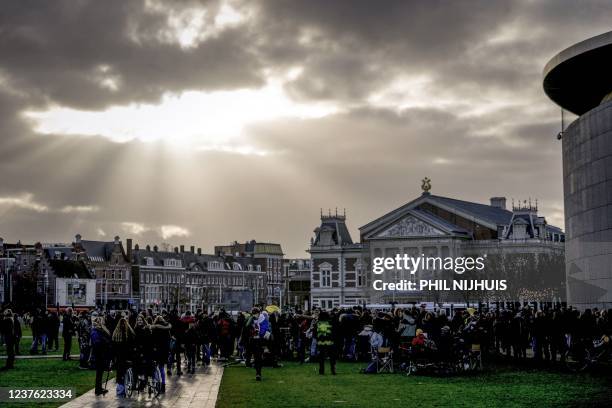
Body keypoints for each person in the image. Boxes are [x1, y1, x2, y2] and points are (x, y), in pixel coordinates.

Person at [112, 317, 134, 397]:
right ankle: (123, 388)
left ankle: (120, 390)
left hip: (119, 357)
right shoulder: (128, 333)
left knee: (120, 374)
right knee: (125, 373)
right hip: (126, 356)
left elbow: (113, 347)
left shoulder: (116, 334)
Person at [90, 316, 112, 396]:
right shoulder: (95, 331)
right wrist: (105, 342)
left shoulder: (99, 330)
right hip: (99, 354)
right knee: (99, 372)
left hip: (102, 354)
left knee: (100, 372)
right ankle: (98, 389)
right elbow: (97, 343)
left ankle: (99, 388)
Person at [151, 315, 171, 392]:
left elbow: (152, 340)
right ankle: (163, 384)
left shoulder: (155, 329)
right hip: (164, 351)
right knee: (162, 368)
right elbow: (168, 340)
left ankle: (156, 383)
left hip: (156, 351)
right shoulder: (166, 329)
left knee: (155, 367)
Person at [314, 311, 336, 375]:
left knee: (321, 358)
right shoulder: (330, 323)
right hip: (330, 342)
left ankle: (321, 371)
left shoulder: (317, 323)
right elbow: (334, 332)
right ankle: (333, 370)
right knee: (332, 358)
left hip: (321, 343)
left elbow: (315, 333)